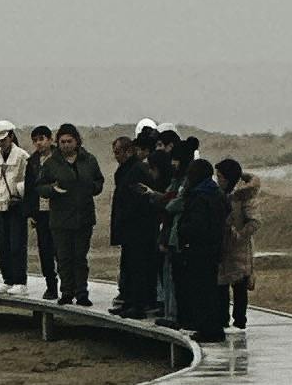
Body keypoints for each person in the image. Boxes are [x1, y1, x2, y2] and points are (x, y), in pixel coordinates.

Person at [27, 122, 104, 307]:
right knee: (64, 258)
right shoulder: (52, 163)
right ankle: (66, 292)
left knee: (80, 257)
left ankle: (82, 293)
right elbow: (39, 186)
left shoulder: (89, 160)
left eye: (69, 141)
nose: (66, 145)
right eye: (62, 142)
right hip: (60, 219)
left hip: (83, 217)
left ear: (77, 141)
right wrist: (52, 189)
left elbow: (99, 180)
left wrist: (91, 188)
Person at [167, 145, 229, 339]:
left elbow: (197, 225)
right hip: (212, 249)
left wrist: (184, 233)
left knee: (202, 291)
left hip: (199, 251)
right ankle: (209, 327)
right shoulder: (215, 194)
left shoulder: (200, 196)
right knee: (209, 290)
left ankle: (208, 329)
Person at [108, 127, 158, 320]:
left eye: (118, 152)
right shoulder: (126, 169)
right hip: (129, 230)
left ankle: (138, 305)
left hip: (139, 229)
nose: (116, 157)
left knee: (138, 268)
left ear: (129, 151)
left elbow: (140, 199)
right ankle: (128, 302)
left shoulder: (137, 169)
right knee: (128, 268)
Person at [0, 121, 30, 289]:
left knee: (17, 245)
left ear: (11, 136)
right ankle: (7, 280)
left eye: (3, 139)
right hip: (0, 205)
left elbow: (29, 178)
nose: (1, 143)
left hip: (16, 206)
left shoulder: (22, 156)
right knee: (2, 246)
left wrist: (19, 191)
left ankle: (20, 282)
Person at [215, 154, 259, 334]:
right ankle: (222, 320)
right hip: (223, 247)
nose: (217, 180)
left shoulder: (245, 197)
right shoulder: (221, 194)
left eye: (220, 177)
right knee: (221, 284)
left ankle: (240, 322)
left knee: (239, 286)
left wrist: (238, 235)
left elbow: (255, 222)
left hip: (239, 248)